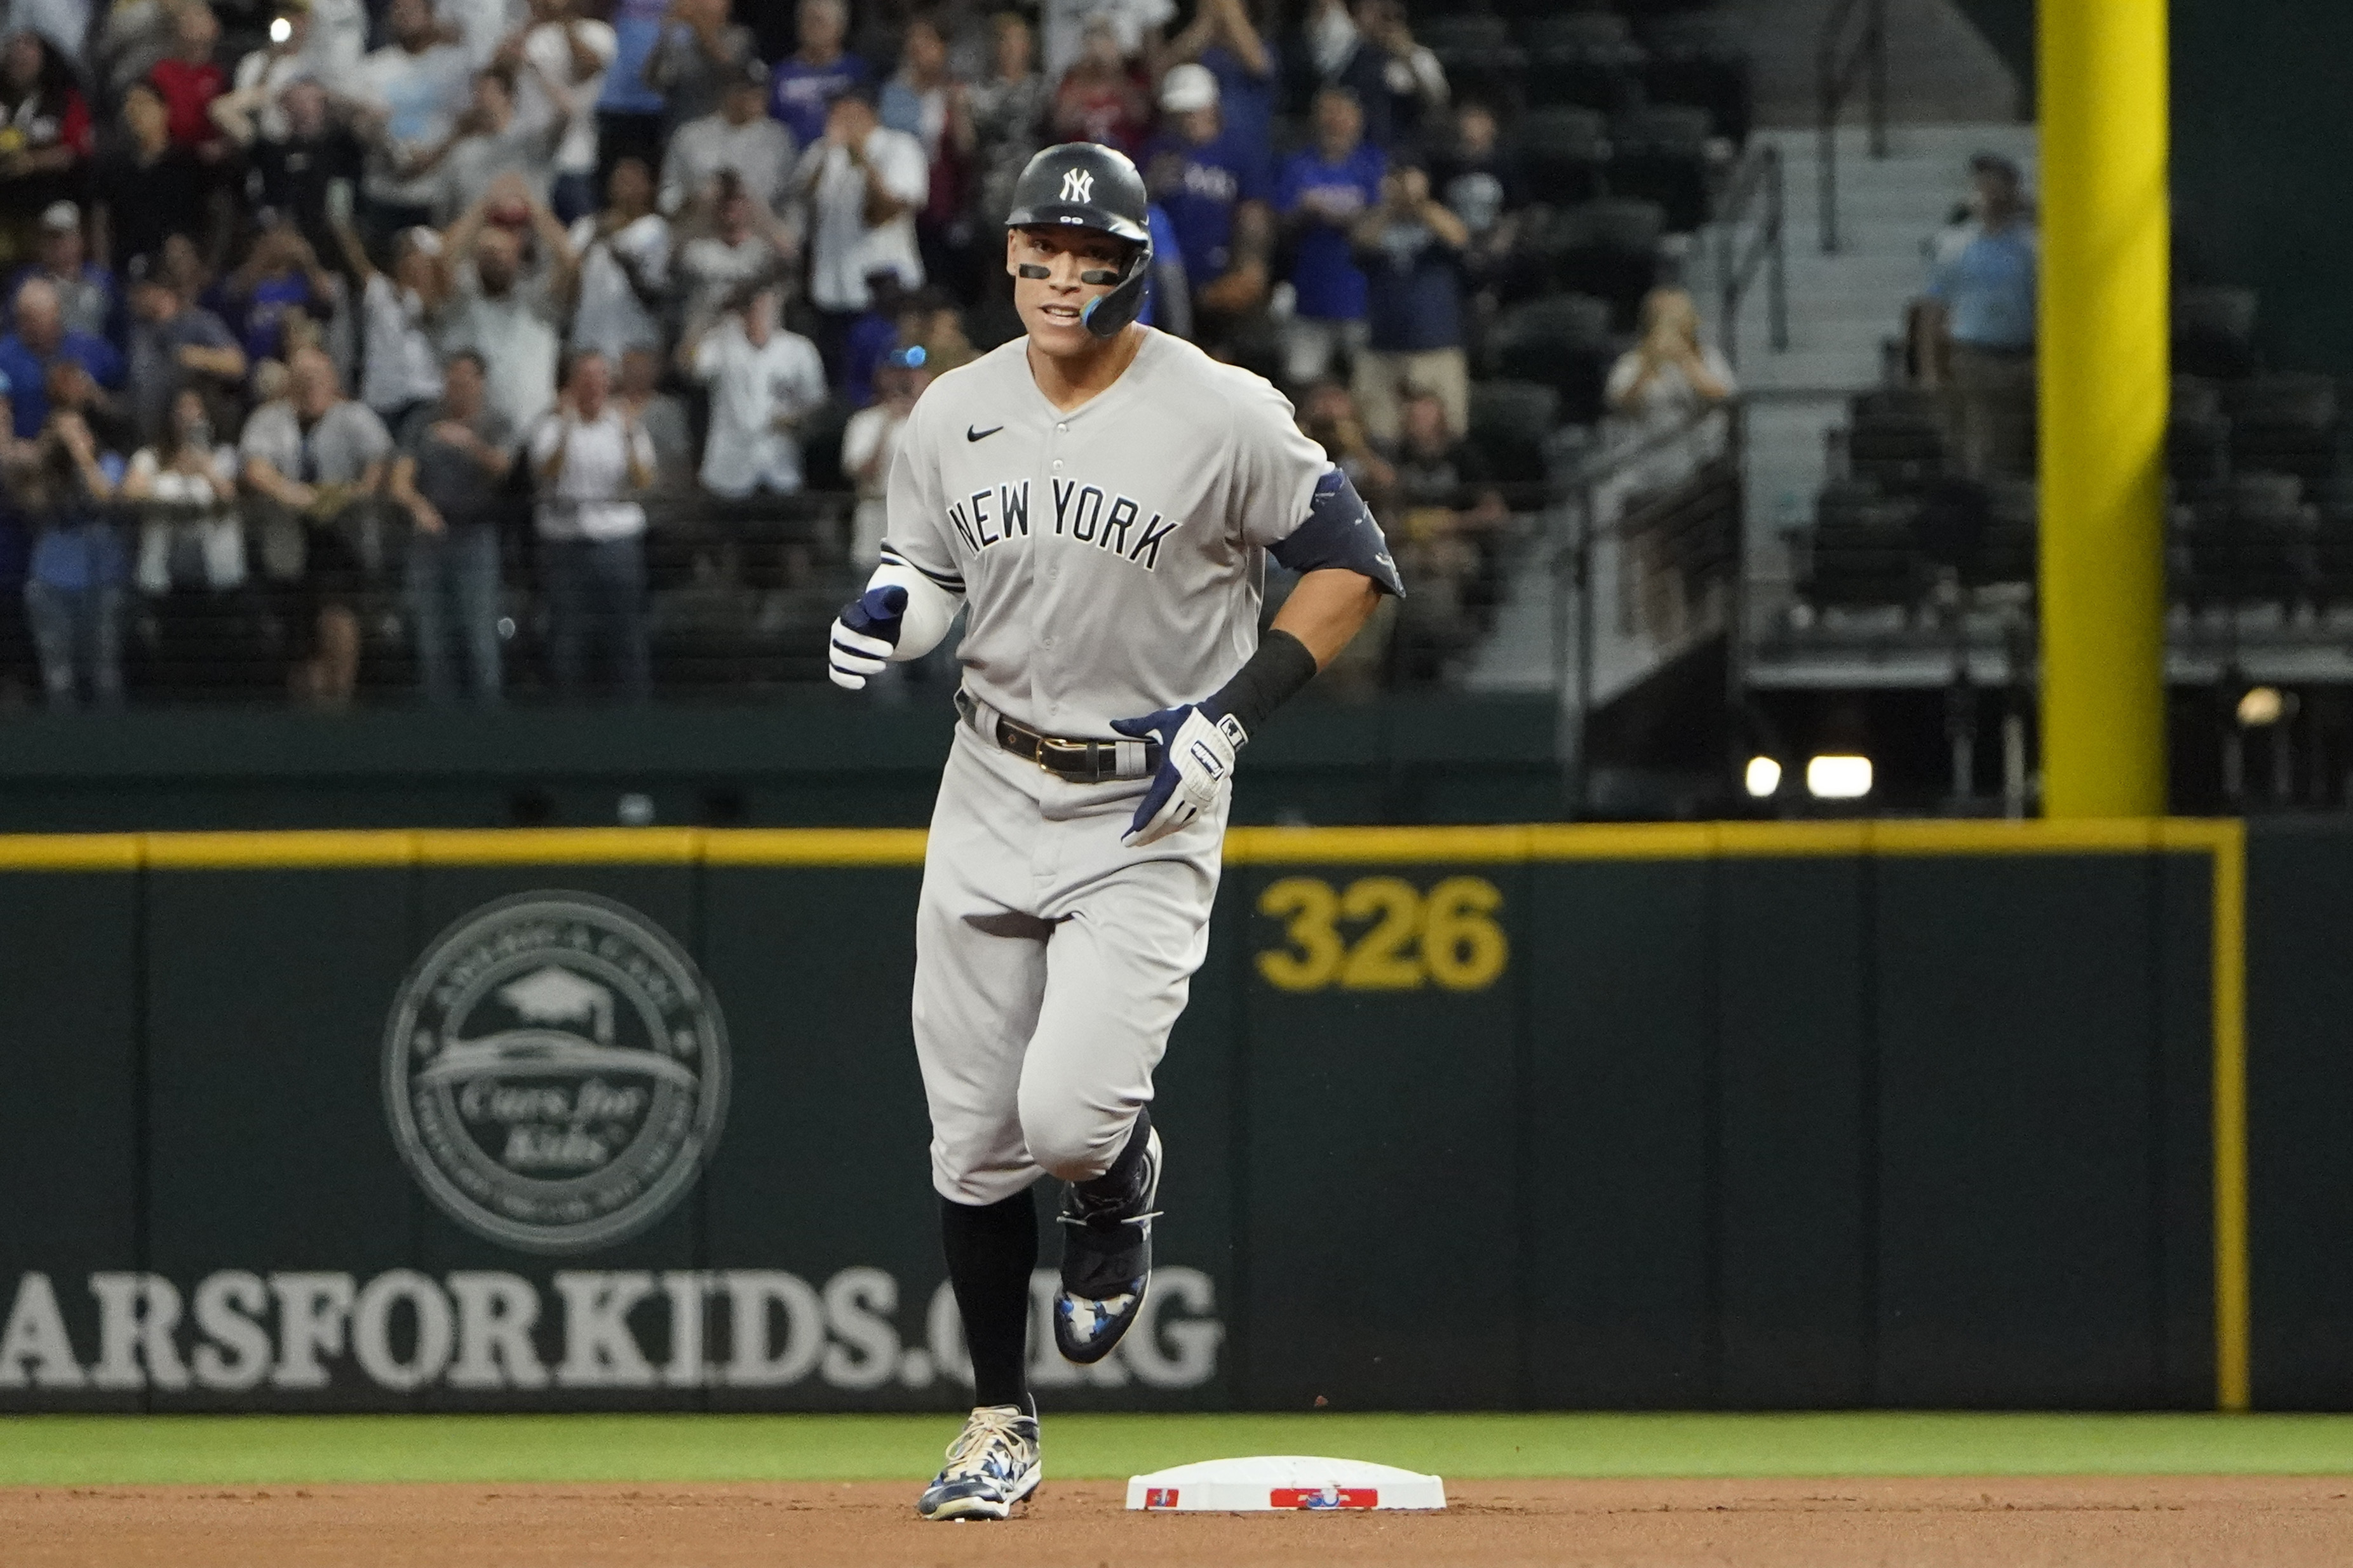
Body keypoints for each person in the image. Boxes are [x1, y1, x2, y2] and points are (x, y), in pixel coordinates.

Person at [822, 142, 1399, 1522]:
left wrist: (1239, 704)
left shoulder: (1220, 410)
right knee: (970, 1141)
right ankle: (997, 1419)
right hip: (987, 776)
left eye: (1092, 257)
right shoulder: (950, 411)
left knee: (1066, 1116)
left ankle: (1116, 1173)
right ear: (1010, 255)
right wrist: (894, 605)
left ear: (1136, 268)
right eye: (1041, 251)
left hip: (1146, 793)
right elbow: (934, 568)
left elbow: (1352, 561)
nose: (1062, 275)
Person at [238, 345, 390, 705]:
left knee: (337, 615)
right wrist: (292, 494)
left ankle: (341, 703)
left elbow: (378, 463)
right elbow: (255, 469)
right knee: (298, 641)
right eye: (302, 379)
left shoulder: (354, 417)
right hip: (288, 540)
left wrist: (350, 496)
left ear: (333, 380)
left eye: (318, 378)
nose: (310, 387)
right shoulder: (269, 420)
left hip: (342, 537)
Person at [530, 348, 654, 700]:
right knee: (567, 639)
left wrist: (630, 435)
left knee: (627, 637)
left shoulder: (626, 425)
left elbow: (644, 480)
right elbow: (547, 473)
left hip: (617, 543)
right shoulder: (550, 426)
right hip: (565, 544)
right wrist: (568, 426)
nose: (593, 385)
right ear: (571, 384)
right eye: (585, 378)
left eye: (600, 376)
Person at [390, 347, 510, 703]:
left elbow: (506, 471)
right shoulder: (422, 421)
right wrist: (418, 506)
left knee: (480, 641)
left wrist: (470, 443)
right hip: (429, 539)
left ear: (481, 383)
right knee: (433, 643)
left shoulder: (496, 422)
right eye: (451, 380)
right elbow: (400, 482)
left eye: (465, 381)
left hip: (476, 537)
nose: (457, 387)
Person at [1915, 152, 2036, 480]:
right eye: (1985, 184)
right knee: (1981, 439)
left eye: (1999, 183)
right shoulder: (1954, 245)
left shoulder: (2034, 244)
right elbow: (1934, 310)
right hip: (1974, 354)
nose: (1991, 192)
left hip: (2025, 354)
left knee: (2019, 441)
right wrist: (1931, 368)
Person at [437, 171, 576, 431]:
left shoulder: (538, 304)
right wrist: (486, 205)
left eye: (502, 253)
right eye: (487, 253)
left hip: (538, 428)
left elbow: (568, 261)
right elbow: (443, 259)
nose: (494, 260)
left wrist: (530, 204)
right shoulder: (461, 305)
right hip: (480, 433)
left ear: (517, 256)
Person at [794, 88, 927, 359]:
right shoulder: (822, 151)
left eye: (842, 111)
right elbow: (802, 198)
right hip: (832, 287)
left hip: (885, 287)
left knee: (891, 366)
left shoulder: (899, 146)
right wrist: (826, 154)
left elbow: (893, 208)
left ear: (865, 112)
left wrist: (863, 159)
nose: (834, 118)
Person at [1140, 64, 1268, 344]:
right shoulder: (1159, 149)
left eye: (1193, 110)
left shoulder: (1238, 151)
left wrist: (1250, 265)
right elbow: (1138, 207)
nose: (1187, 119)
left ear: (1212, 107)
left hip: (1218, 273)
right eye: (1180, 112)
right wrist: (1152, 182)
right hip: (1166, 275)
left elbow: (1252, 214)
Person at [1349, 157, 1469, 447]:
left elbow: (1459, 238)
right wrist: (1392, 205)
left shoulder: (1439, 220)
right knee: (1379, 435)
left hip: (1437, 346)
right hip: (1383, 349)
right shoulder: (1376, 220)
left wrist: (1420, 203)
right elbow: (1360, 242)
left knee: (1447, 434)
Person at [13, 410, 127, 707]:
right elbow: (31, 505)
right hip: (51, 584)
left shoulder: (109, 463)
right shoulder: (41, 472)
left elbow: (108, 499)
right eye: (63, 433)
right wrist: (49, 455)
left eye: (78, 430)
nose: (71, 439)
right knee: (59, 678)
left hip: (102, 582)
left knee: (106, 675)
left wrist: (82, 458)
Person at [1275, 86, 1381, 388]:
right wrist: (1305, 212)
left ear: (1358, 119)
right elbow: (1281, 224)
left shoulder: (1373, 164)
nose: (1334, 122)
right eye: (1327, 113)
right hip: (1309, 295)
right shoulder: (1298, 165)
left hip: (1361, 297)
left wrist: (1345, 216)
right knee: (1300, 387)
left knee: (1366, 386)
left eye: (1342, 114)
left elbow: (1382, 223)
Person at [344, 0, 472, 241]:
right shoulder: (373, 67)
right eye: (398, 9)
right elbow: (353, 117)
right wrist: (367, 127)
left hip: (435, 192)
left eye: (412, 10)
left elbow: (467, 119)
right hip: (385, 190)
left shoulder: (451, 66)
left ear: (429, 15)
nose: (404, 16)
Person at [685, 280, 826, 499]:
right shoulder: (721, 344)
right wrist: (707, 317)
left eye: (771, 307)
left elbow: (816, 402)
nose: (765, 313)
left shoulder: (800, 350)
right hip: (729, 465)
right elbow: (689, 368)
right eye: (757, 307)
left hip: (780, 462)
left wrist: (796, 419)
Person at [1604, 284, 1735, 492]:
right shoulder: (1632, 362)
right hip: (1644, 469)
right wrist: (1650, 366)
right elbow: (1621, 404)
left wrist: (1685, 360)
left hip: (1699, 467)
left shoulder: (1708, 358)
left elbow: (1724, 397)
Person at [123, 384, 246, 597]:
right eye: (182, 408)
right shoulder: (151, 457)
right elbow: (129, 493)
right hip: (162, 574)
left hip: (216, 572)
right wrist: (166, 477)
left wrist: (205, 468)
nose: (188, 415)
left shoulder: (225, 456)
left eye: (195, 408)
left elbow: (230, 496)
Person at [328, 213, 448, 429]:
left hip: (422, 395)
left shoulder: (432, 300)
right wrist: (341, 222)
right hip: (380, 398)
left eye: (417, 255)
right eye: (407, 254)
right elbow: (355, 257)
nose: (411, 261)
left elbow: (433, 303)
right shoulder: (379, 290)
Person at [503, 0, 616, 222]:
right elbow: (497, 72)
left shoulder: (599, 32)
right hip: (527, 155)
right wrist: (531, 24)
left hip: (573, 154)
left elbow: (588, 67)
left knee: (579, 228)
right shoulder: (535, 34)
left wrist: (563, 22)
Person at [93, 81, 209, 274]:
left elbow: (214, 210)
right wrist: (103, 268)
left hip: (175, 264)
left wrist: (208, 263)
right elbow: (101, 218)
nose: (134, 112)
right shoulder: (114, 166)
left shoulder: (186, 163)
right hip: (126, 262)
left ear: (164, 110)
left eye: (143, 104)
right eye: (129, 105)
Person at [954, 11, 1049, 245]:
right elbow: (965, 149)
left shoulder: (1044, 89)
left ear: (1028, 46)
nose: (1009, 48)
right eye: (1002, 40)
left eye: (1016, 40)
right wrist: (959, 112)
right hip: (990, 196)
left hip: (1035, 192)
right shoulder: (976, 94)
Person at [0, 30, 94, 264]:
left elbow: (76, 151)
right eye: (13, 49)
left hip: (50, 202)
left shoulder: (64, 98)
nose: (19, 55)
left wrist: (32, 162)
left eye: (28, 48)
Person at [123, 267, 246, 445]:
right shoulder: (139, 332)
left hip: (195, 425)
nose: (132, 298)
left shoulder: (198, 322)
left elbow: (237, 364)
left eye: (139, 291)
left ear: (160, 291)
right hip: (149, 431)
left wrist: (195, 357)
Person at [567, 154, 670, 363]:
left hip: (635, 342)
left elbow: (654, 294)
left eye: (633, 181)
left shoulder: (654, 229)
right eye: (620, 180)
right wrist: (593, 240)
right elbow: (566, 283)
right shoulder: (585, 228)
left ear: (648, 187)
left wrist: (623, 258)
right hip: (588, 341)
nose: (625, 186)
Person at [673, 168, 792, 342]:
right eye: (723, 202)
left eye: (737, 200)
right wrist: (702, 204)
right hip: (707, 340)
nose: (729, 207)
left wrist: (754, 203)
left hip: (756, 341)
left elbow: (790, 253)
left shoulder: (762, 251)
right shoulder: (697, 250)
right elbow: (670, 251)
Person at [659, 57, 790, 215]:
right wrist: (690, 201)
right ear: (727, 92)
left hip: (758, 231)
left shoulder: (779, 138)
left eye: (759, 91)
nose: (753, 97)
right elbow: (668, 194)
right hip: (701, 228)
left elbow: (790, 198)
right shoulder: (691, 135)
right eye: (744, 90)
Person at [1, 276, 125, 440]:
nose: (31, 327)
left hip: (91, 447)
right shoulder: (5, 356)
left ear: (57, 313)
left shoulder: (90, 349)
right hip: (27, 451)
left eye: (39, 319)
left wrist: (94, 395)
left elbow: (123, 402)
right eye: (26, 319)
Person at [838, 340, 926, 566]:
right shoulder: (865, 421)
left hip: (921, 519)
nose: (904, 380)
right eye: (897, 373)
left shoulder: (931, 419)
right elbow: (862, 473)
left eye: (910, 373)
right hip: (877, 514)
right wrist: (887, 426)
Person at [640, 0, 754, 136]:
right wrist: (667, 31)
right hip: (680, 130)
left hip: (721, 135)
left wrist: (698, 24)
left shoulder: (739, 37)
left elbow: (730, 71)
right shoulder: (680, 41)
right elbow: (654, 81)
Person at [9, 203, 118, 344]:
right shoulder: (26, 282)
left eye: (62, 238)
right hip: (41, 361)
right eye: (48, 238)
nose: (55, 245)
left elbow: (117, 332)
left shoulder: (102, 281)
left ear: (79, 240)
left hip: (91, 360)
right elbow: (12, 330)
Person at [767, 0, 866, 149]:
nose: (813, 29)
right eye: (807, 21)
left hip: (839, 156)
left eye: (819, 21)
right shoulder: (781, 73)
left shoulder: (857, 70)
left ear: (839, 27)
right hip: (787, 155)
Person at [1050, 17, 1149, 154]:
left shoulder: (1132, 76)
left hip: (1125, 157)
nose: (1099, 50)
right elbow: (1061, 125)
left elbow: (1141, 118)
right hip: (1081, 158)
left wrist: (1114, 72)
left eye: (1105, 42)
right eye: (1093, 44)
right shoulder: (1073, 79)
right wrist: (1084, 76)